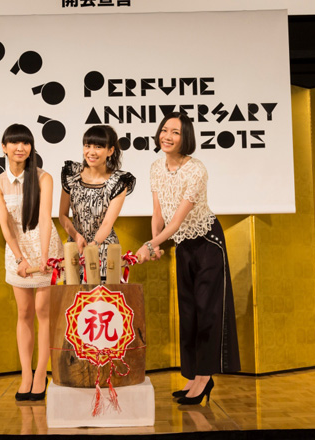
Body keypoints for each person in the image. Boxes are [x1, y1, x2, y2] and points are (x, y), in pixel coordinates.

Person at [135, 112, 240, 405]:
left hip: (207, 243)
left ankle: (205, 378)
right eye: (164, 130)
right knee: (189, 312)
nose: (167, 136)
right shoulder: (156, 167)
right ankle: (193, 375)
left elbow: (178, 221)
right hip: (183, 245)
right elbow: (158, 213)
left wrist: (150, 244)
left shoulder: (196, 170)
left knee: (207, 312)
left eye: (176, 132)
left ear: (186, 138)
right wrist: (155, 244)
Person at [0, 123, 63, 401]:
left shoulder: (44, 178)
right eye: (14, 143)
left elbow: (45, 218)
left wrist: (44, 256)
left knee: (43, 312)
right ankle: (26, 375)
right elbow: (5, 224)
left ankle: (42, 374)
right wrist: (19, 258)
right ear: (4, 147)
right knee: (24, 313)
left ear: (31, 147)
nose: (20, 148)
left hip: (44, 246)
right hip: (17, 249)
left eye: (26, 143)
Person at [59, 125, 135, 281]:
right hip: (75, 249)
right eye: (87, 146)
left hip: (105, 250)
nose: (91, 152)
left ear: (110, 151)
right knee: (75, 296)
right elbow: (62, 215)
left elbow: (107, 223)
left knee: (104, 296)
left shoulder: (118, 181)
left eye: (98, 147)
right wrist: (76, 236)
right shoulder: (71, 175)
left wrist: (93, 245)